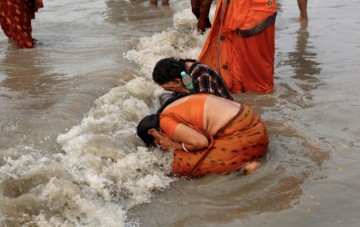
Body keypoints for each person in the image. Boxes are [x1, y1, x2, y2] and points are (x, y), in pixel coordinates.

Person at [137, 93, 269, 178]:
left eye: (158, 143)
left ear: (154, 133)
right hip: (252, 121)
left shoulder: (165, 122)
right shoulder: (169, 108)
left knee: (180, 165)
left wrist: (174, 144)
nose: (161, 146)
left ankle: (244, 166)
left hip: (246, 136)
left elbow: (201, 142)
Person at [197, 0, 277, 94]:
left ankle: (257, 104)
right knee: (238, 77)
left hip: (253, 14)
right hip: (239, 11)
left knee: (258, 83)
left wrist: (204, 10)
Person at [152, 57, 234, 101]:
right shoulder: (183, 72)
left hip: (227, 113)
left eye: (171, 88)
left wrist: (183, 90)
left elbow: (206, 104)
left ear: (177, 81)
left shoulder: (202, 74)